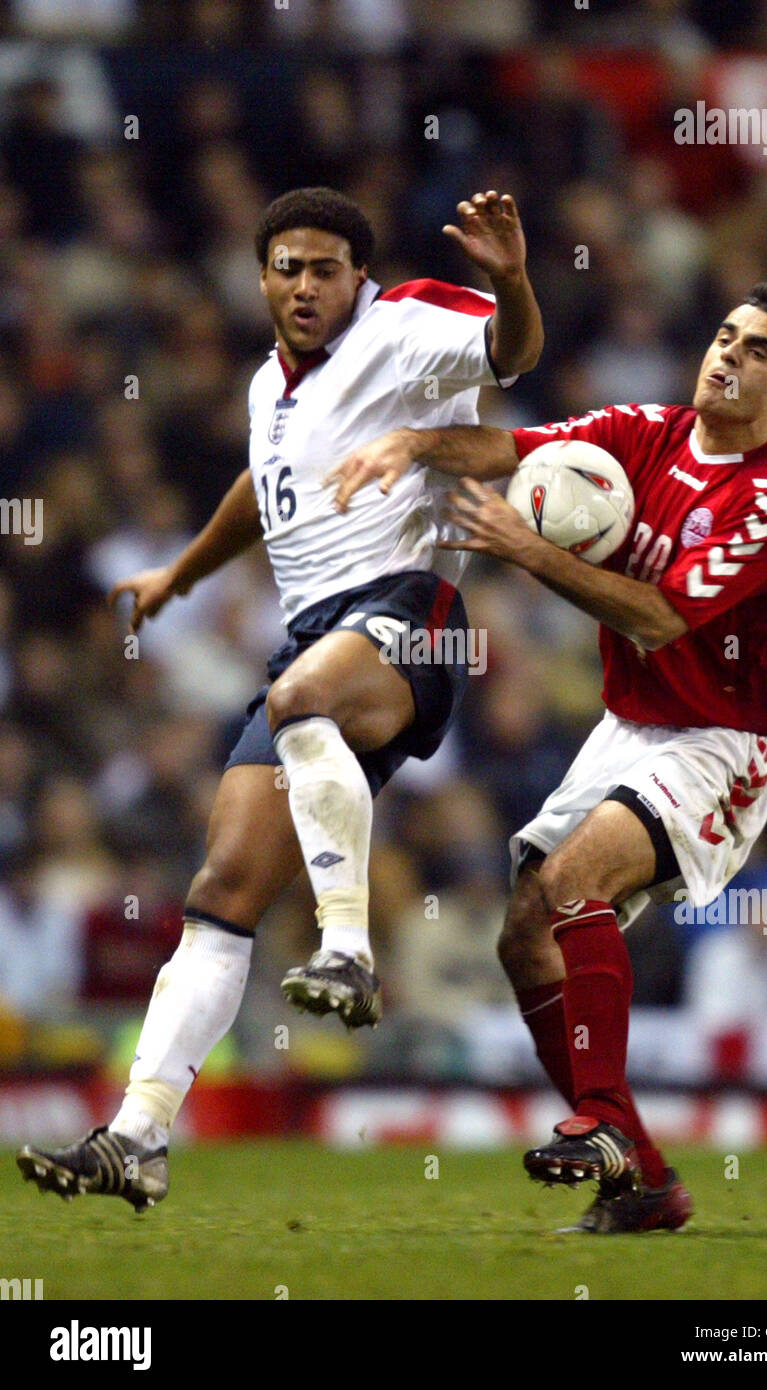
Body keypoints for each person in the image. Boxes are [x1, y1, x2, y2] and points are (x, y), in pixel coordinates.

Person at [16, 185, 543, 1210]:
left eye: (325, 268)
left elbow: (513, 357)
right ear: (262, 276)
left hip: (409, 612)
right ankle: (139, 1135)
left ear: (359, 276)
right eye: (287, 267)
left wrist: (514, 280)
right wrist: (181, 574)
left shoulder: (409, 325)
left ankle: (347, 948)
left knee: (303, 695)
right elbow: (261, 492)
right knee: (219, 892)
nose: (305, 285)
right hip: (315, 642)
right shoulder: (267, 388)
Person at [327, 282, 767, 1232]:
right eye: (726, 336)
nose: (729, 355)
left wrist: (525, 547)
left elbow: (658, 615)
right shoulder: (646, 429)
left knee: (570, 881)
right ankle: (644, 1182)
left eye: (761, 352)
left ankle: (598, 1119)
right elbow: (518, 448)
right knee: (522, 934)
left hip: (724, 744)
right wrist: (412, 446)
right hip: (632, 726)